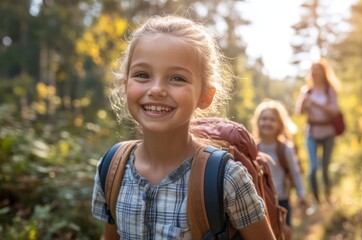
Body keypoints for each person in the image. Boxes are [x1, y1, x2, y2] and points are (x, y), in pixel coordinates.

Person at [90, 15, 275, 240]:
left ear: (205, 96)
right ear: (125, 84)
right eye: (142, 75)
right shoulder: (112, 168)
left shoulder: (227, 178)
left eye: (177, 78)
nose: (157, 89)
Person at [251, 99, 307, 227]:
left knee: (284, 232)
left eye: (272, 119)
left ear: (279, 124)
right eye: (264, 119)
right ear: (258, 122)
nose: (267, 122)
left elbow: (295, 172)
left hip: (281, 200)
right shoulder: (253, 147)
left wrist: (301, 193)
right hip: (259, 202)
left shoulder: (285, 148)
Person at [296, 58, 341, 209]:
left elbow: (334, 111)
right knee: (313, 167)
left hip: (328, 132)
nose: (315, 73)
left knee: (325, 168)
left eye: (318, 70)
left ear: (324, 72)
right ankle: (316, 200)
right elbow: (300, 112)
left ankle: (328, 196)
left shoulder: (330, 90)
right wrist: (303, 104)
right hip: (312, 133)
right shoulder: (306, 90)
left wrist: (315, 104)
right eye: (313, 70)